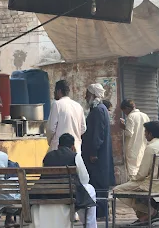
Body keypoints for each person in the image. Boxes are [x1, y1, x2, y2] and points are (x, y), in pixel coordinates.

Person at [113, 121, 159, 225]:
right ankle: (145, 215)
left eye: (145, 132)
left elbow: (141, 174)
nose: (145, 135)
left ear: (150, 134)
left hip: (150, 185)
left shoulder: (151, 148)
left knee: (117, 190)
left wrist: (132, 180)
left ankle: (150, 211)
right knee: (131, 187)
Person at [30, 133, 97, 228]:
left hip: (47, 193)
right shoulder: (75, 156)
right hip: (68, 195)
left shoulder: (48, 156)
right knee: (90, 190)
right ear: (73, 147)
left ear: (58, 146)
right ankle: (89, 225)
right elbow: (84, 179)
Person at [81, 83, 114, 220]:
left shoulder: (99, 110)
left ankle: (101, 213)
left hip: (97, 156)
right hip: (96, 154)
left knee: (99, 184)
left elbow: (98, 134)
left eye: (88, 94)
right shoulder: (98, 109)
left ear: (94, 95)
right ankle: (100, 213)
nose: (85, 97)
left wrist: (93, 151)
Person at [47, 80, 87, 153]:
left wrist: (50, 142)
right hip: (75, 149)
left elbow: (51, 129)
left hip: (59, 149)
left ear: (59, 91)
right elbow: (83, 129)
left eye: (54, 91)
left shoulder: (56, 105)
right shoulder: (78, 106)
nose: (53, 93)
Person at [120, 99, 150, 180]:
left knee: (133, 172)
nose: (125, 113)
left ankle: (134, 187)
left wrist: (124, 127)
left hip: (132, 148)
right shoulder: (145, 116)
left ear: (127, 108)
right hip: (143, 147)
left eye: (124, 111)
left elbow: (129, 133)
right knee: (141, 169)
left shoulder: (131, 117)